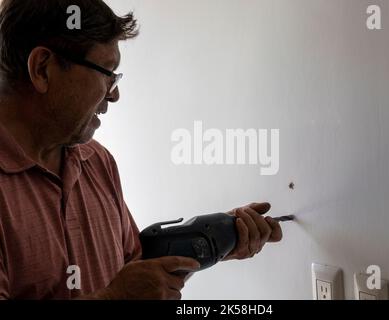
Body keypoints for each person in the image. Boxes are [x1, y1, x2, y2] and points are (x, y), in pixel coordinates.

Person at [0, 0, 282, 300]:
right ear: (42, 68)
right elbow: (120, 291)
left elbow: (131, 266)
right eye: (107, 72)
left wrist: (217, 237)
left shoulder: (96, 161)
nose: (115, 93)